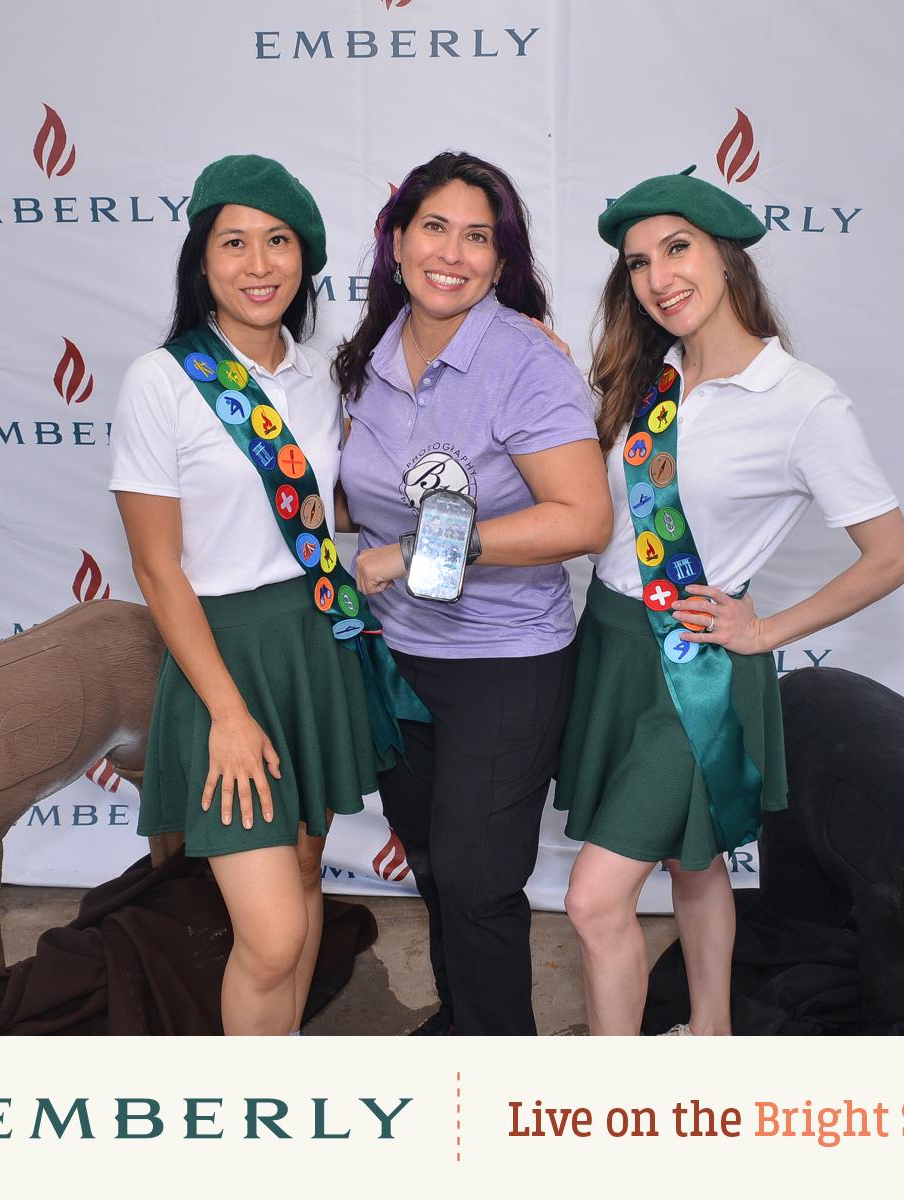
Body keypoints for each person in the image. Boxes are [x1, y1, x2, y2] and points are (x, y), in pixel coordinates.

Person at [556, 167, 904, 1035]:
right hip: (610, 650)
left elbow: (891, 556)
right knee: (698, 858)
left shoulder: (802, 403)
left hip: (695, 673)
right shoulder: (650, 378)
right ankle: (711, 1035)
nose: (659, 277)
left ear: (726, 256)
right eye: (639, 263)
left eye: (677, 249)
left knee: (593, 901)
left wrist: (765, 630)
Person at [109, 155, 423, 1035]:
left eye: (278, 242)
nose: (258, 264)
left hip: (312, 643)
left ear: (305, 260)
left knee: (306, 883)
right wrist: (228, 713)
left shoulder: (321, 375)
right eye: (234, 242)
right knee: (274, 933)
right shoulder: (162, 382)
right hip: (224, 661)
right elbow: (158, 570)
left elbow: (343, 502)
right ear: (200, 261)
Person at [336, 150, 613, 1036]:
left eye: (477, 236)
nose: (451, 252)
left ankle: (498, 1078)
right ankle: (463, 1027)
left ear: (502, 260)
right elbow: (352, 491)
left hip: (506, 662)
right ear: (397, 239)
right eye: (434, 228)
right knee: (432, 864)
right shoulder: (367, 355)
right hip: (398, 657)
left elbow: (583, 519)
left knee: (479, 880)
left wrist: (419, 551)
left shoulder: (525, 361)